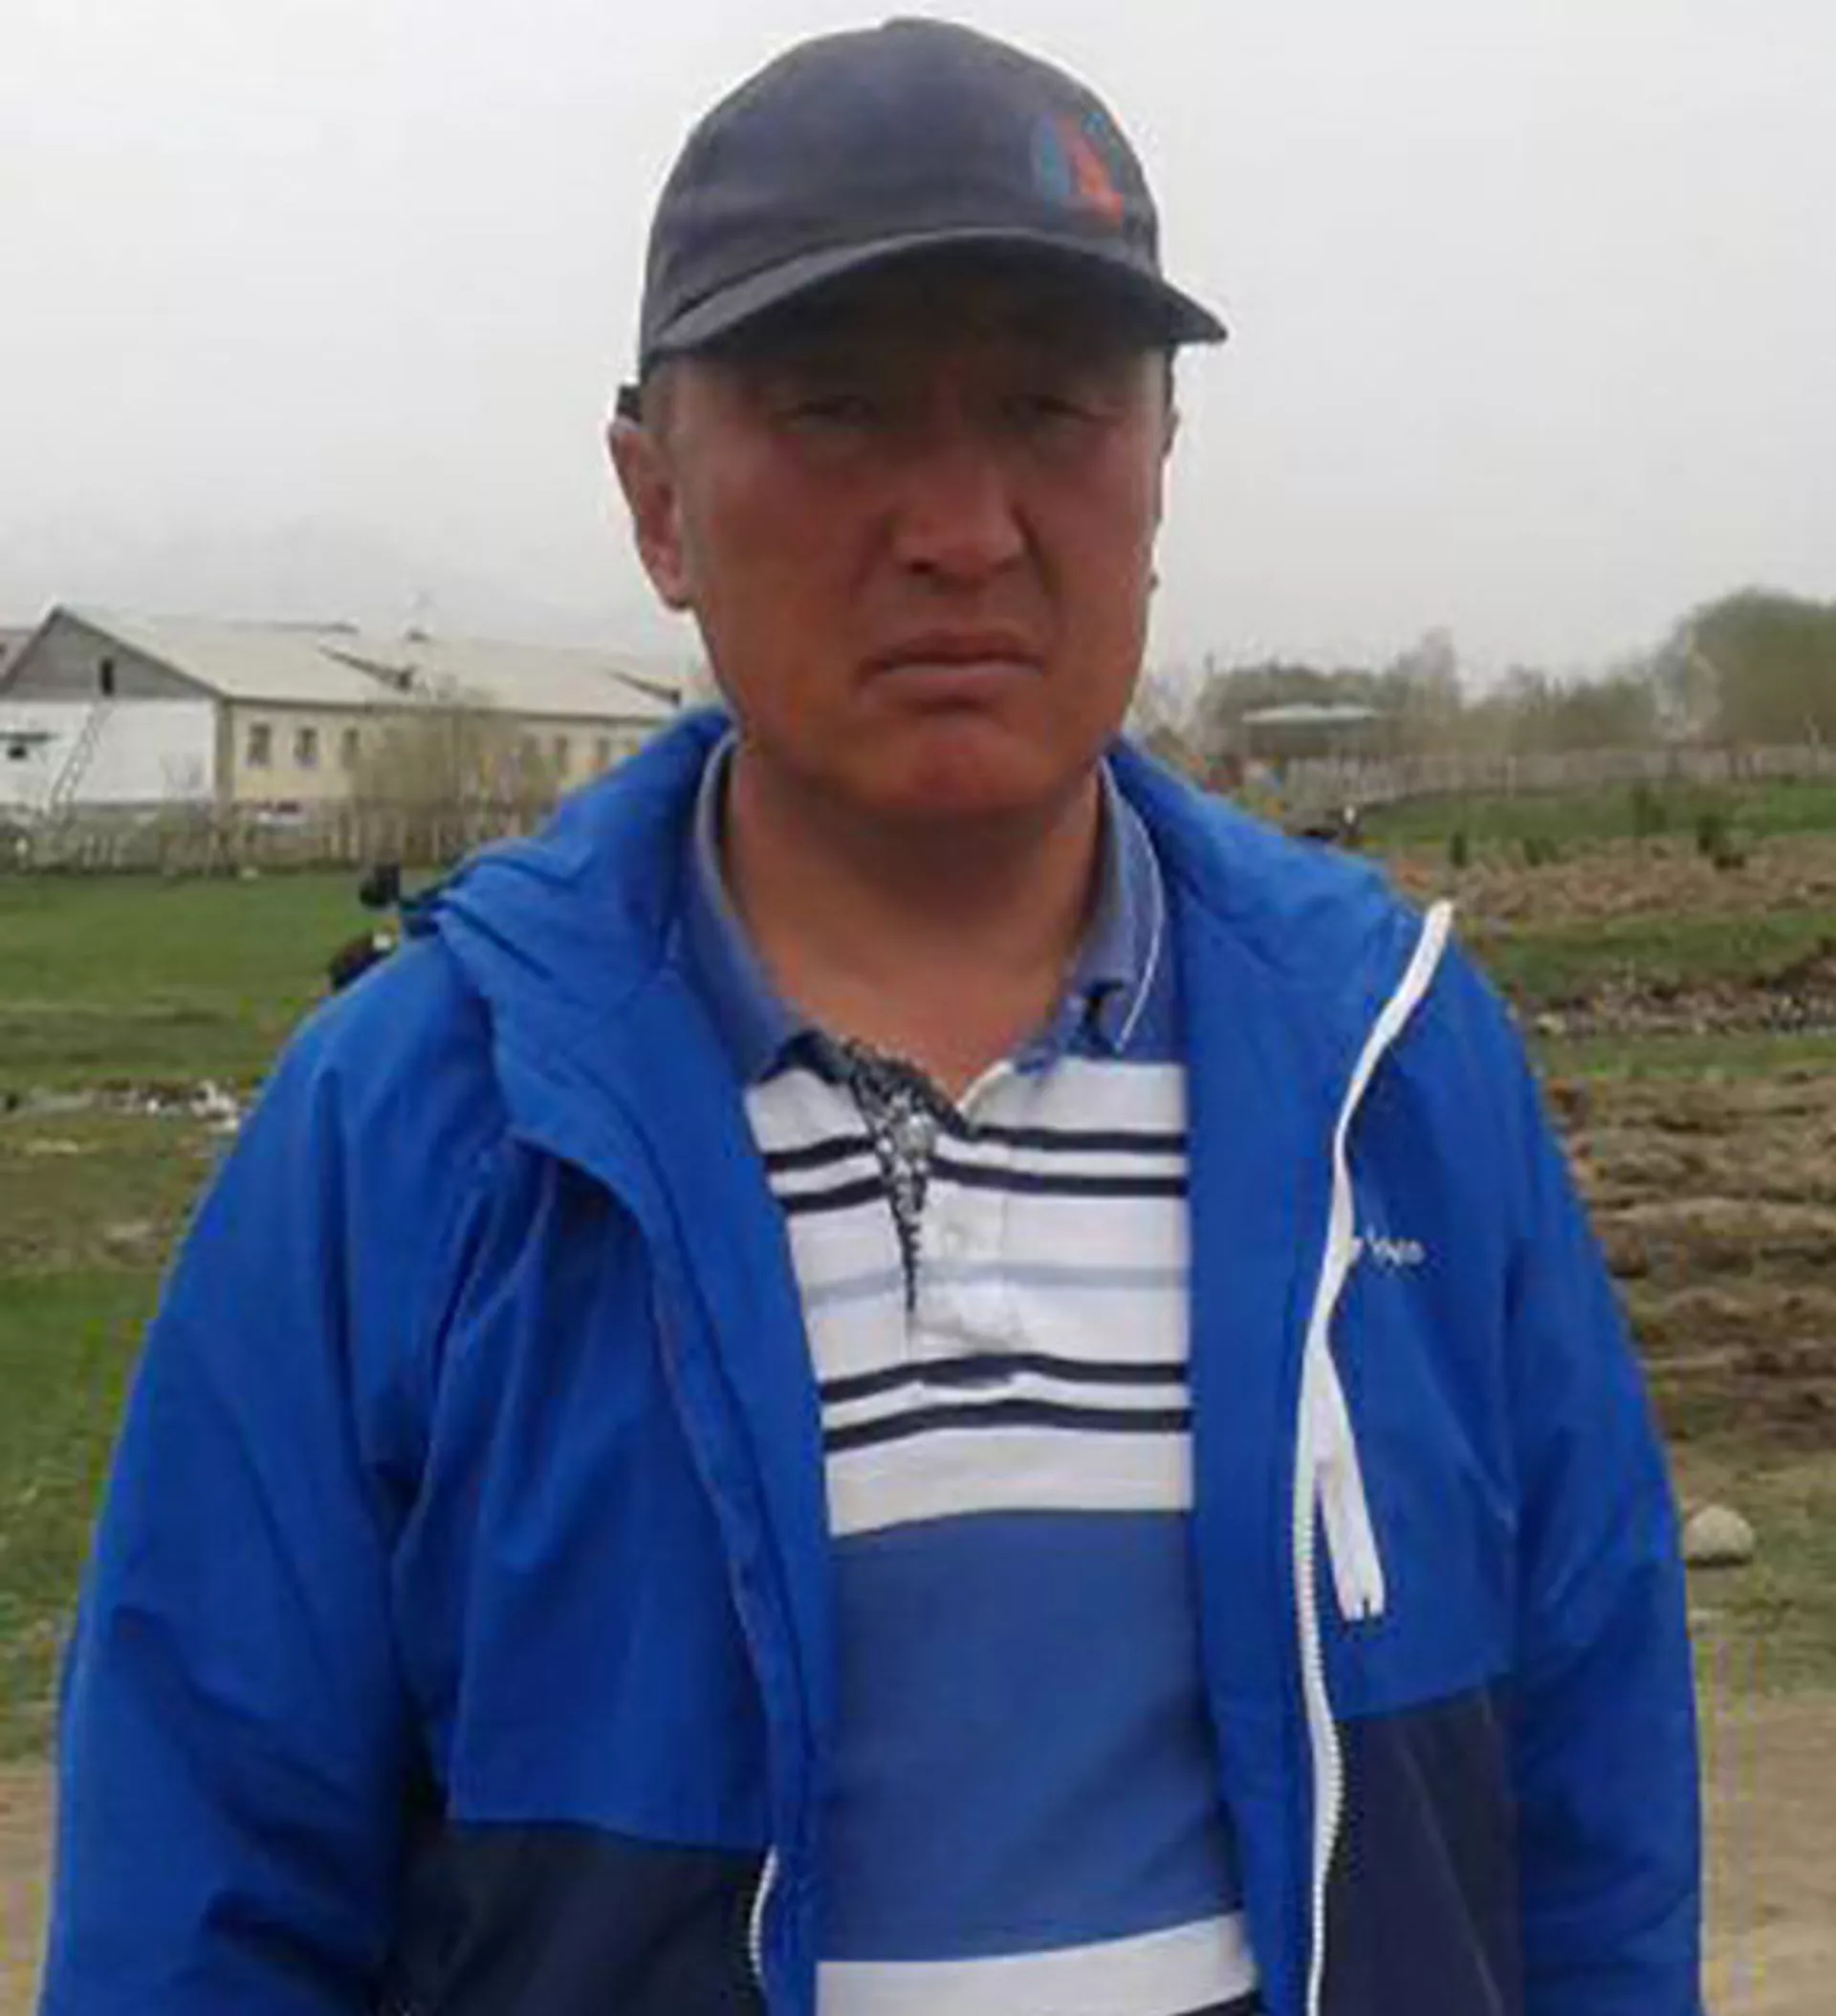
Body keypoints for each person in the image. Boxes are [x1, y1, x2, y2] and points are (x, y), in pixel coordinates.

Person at [42, 19, 1701, 2016]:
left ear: (1160, 466)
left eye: (1053, 408)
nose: (963, 528)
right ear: (657, 501)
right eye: (836, 411)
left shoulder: (1398, 1070)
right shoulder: (412, 1127)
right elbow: (203, 1901)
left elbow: (1596, 1825)